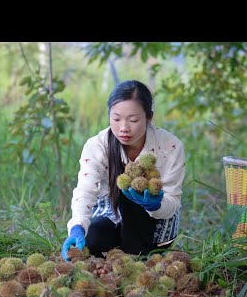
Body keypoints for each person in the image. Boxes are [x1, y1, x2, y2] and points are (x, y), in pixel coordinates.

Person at [61, 80, 185, 261]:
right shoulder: (97, 145)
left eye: (133, 120)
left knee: (132, 197)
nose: (124, 128)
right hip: (113, 216)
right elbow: (85, 190)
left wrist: (155, 204)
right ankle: (119, 254)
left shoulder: (170, 147)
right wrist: (77, 227)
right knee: (91, 237)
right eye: (116, 119)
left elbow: (173, 200)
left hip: (155, 228)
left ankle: (138, 256)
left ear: (149, 117)